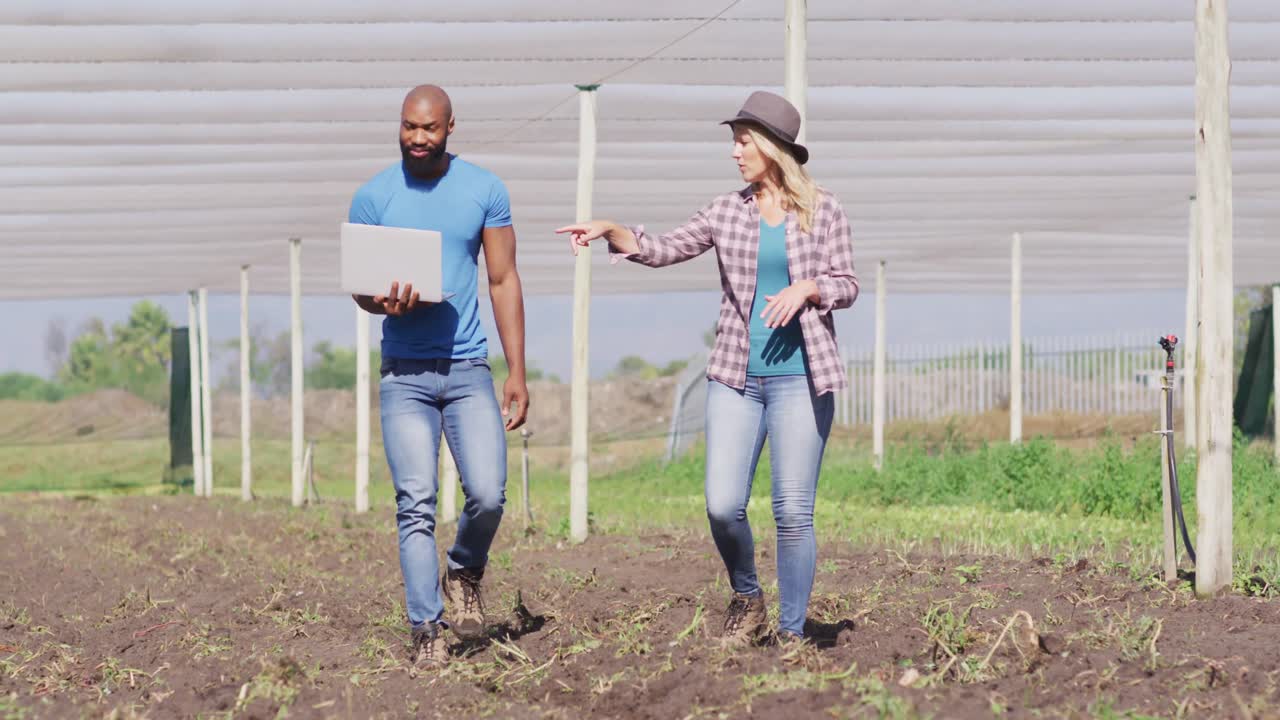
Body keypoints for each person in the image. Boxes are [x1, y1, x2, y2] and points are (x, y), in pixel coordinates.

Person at [557, 91, 857, 645]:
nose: (735, 152)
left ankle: (791, 636)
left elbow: (848, 284)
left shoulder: (825, 209)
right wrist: (614, 231)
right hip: (737, 377)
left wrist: (811, 287)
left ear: (772, 147)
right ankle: (748, 595)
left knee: (793, 514)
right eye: (734, 141)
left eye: (744, 141)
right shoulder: (726, 211)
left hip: (801, 378)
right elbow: (667, 247)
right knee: (722, 505)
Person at [349, 85, 529, 668]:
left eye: (428, 128)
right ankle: (426, 629)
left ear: (451, 127)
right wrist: (384, 305)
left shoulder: (484, 190)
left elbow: (503, 280)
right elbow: (362, 289)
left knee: (487, 493)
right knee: (415, 503)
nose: (417, 139)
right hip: (404, 376)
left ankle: (465, 567)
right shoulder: (373, 197)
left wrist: (517, 372)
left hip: (468, 367)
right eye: (408, 127)